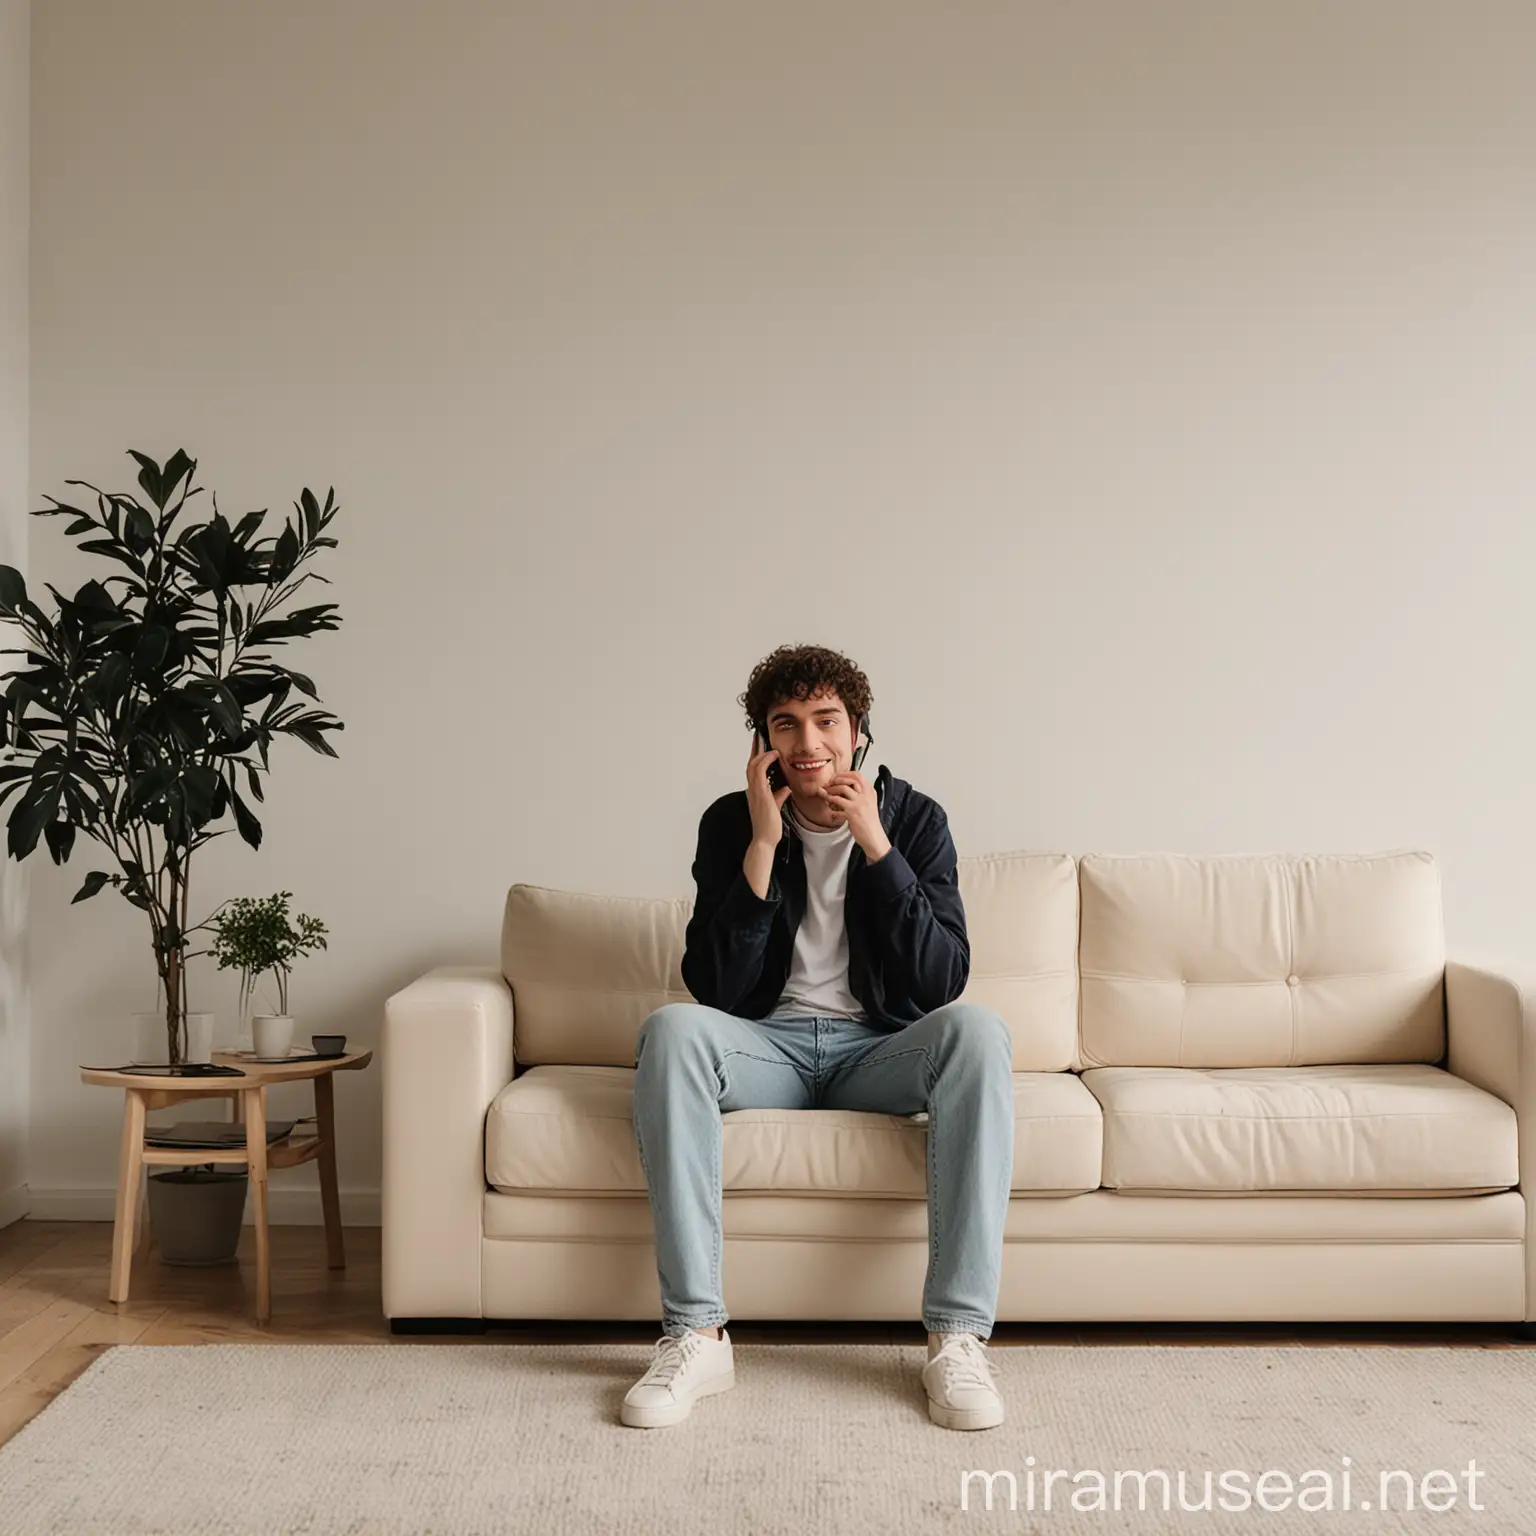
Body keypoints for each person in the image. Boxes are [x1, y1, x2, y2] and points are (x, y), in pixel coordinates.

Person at [621, 644, 1014, 1431]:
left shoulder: (917, 819)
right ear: (762, 743)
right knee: (671, 1031)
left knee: (977, 1032)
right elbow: (718, 990)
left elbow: (942, 982)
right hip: (767, 1050)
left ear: (858, 730)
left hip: (879, 1053)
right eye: (786, 725)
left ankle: (957, 1338)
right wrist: (763, 847)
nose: (809, 744)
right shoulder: (731, 822)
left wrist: (878, 846)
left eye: (826, 721)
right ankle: (696, 1336)